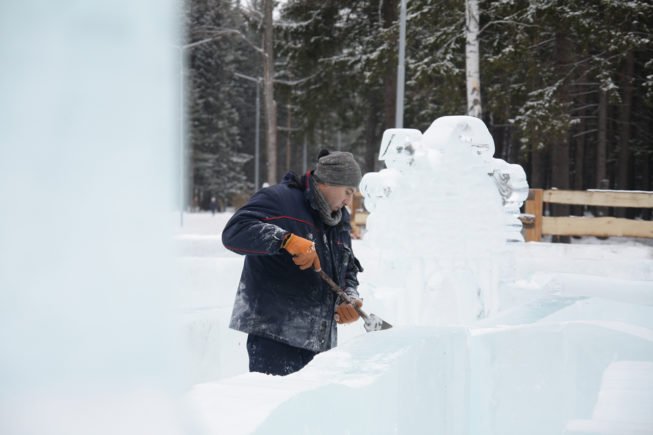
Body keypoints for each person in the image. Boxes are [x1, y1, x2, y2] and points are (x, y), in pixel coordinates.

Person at [221, 150, 364, 376]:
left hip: (320, 343)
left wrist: (349, 297)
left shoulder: (339, 219)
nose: (348, 200)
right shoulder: (280, 199)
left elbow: (347, 266)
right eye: (347, 192)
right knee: (275, 405)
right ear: (328, 182)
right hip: (275, 336)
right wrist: (284, 240)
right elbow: (234, 232)